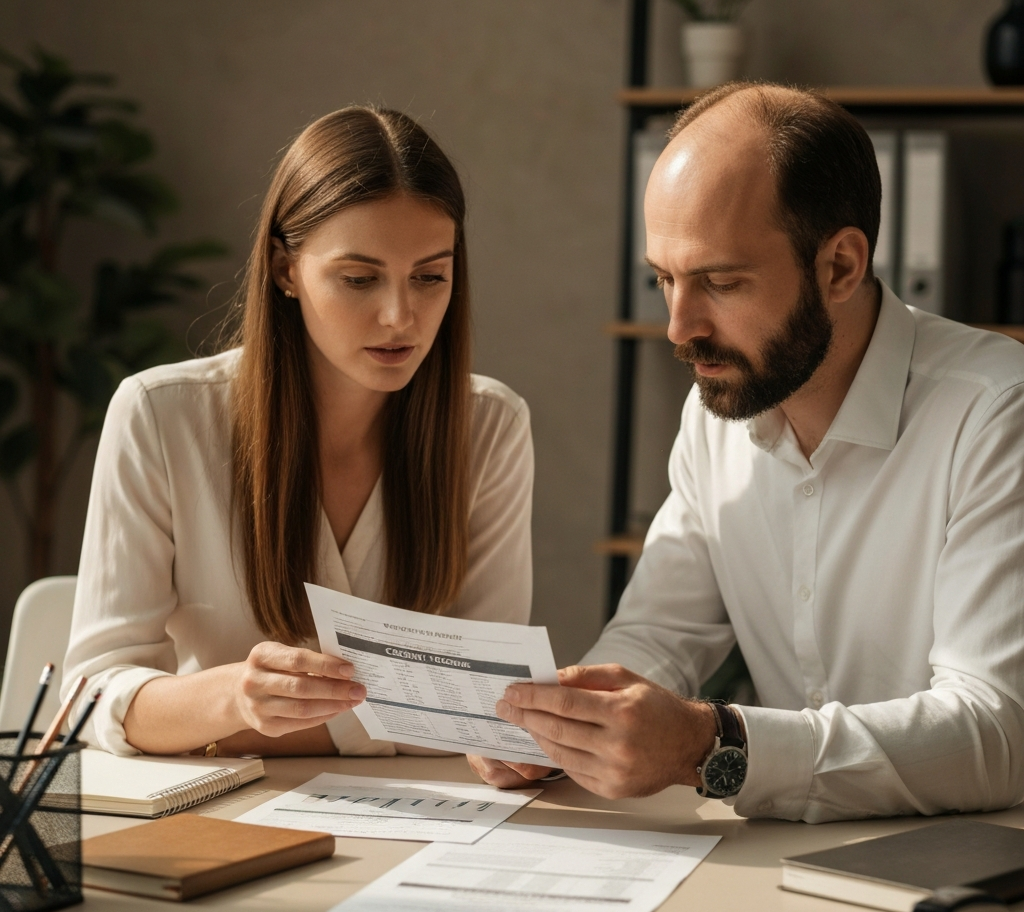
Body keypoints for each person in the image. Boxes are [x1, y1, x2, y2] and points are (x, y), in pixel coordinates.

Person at [470, 82, 1024, 823]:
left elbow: (997, 731)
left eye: (720, 282)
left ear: (840, 267)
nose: (677, 327)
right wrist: (568, 723)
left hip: (977, 868)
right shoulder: (720, 410)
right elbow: (660, 635)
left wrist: (713, 745)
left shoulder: (995, 413)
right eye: (663, 279)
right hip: (789, 863)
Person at [63, 106, 534, 760]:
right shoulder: (159, 415)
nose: (401, 315)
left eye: (430, 276)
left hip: (424, 822)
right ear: (286, 269)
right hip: (223, 821)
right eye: (359, 278)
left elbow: (489, 708)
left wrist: (233, 727)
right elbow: (91, 698)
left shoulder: (490, 427)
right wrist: (234, 697)